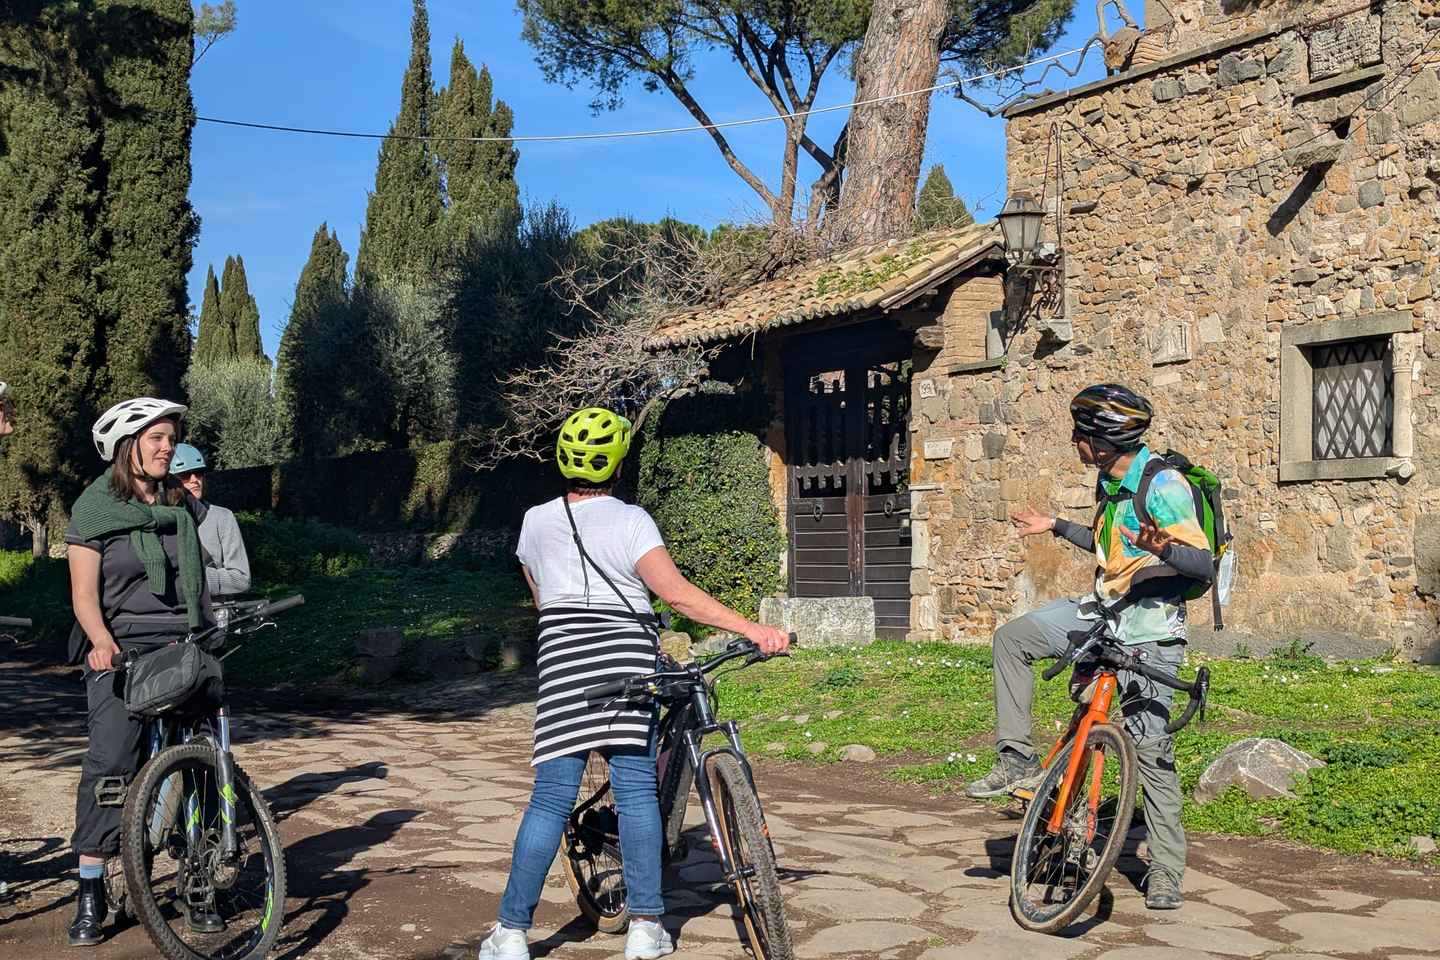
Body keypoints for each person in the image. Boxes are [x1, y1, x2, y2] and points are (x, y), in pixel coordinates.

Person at [479, 407, 791, 960]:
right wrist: (753, 629)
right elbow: (676, 595)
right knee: (637, 791)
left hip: (564, 664)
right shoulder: (631, 520)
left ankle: (510, 935)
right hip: (626, 657)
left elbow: (542, 599)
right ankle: (646, 927)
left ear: (563, 463)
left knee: (549, 800)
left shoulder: (534, 522)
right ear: (620, 465)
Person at [965, 384, 1213, 911]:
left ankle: (1165, 870)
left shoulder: (1162, 485)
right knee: (1013, 639)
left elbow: (1202, 565)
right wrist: (1055, 526)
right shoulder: (1110, 482)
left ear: (1101, 443)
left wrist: (1165, 548)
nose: (1074, 442)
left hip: (1149, 631)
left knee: (1151, 752)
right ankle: (1016, 760)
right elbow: (1109, 548)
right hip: (1102, 613)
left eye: (1079, 434)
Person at [65, 397, 214, 946]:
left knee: (203, 760)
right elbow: (84, 595)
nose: (168, 448)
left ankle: (199, 878)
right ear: (127, 446)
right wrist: (101, 642)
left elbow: (199, 575)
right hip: (121, 646)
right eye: (156, 438)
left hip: (183, 639)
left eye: (171, 438)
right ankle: (90, 886)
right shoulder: (94, 508)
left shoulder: (180, 502)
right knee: (110, 765)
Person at [170, 443, 251, 598]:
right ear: (170, 481)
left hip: (214, 610)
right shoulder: (157, 518)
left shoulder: (222, 517)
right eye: (185, 475)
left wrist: (195, 578)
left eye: (199, 473)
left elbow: (241, 579)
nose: (195, 480)